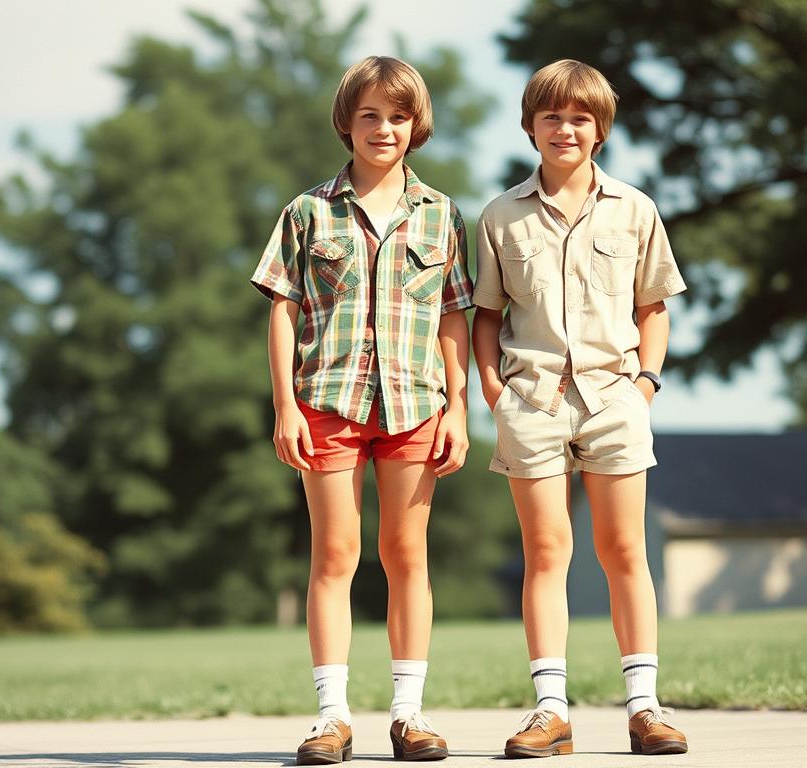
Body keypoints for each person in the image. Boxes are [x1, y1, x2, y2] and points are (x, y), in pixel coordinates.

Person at [250, 55, 473, 764]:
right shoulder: (308, 211)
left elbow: (454, 320)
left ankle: (409, 716)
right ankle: (331, 718)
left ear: (416, 126)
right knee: (335, 556)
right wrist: (284, 404)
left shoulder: (441, 215)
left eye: (398, 116)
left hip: (415, 406)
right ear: (347, 122)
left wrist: (458, 409)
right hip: (327, 402)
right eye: (370, 114)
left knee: (406, 555)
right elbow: (282, 312)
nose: (384, 128)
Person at [471, 59, 689, 757]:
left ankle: (645, 709)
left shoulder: (635, 209)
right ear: (532, 126)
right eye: (552, 117)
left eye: (580, 118)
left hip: (614, 400)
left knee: (624, 550)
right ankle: (550, 712)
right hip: (531, 403)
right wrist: (493, 389)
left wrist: (645, 384)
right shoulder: (501, 215)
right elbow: (484, 314)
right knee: (545, 553)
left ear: (600, 130)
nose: (566, 128)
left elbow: (652, 306)